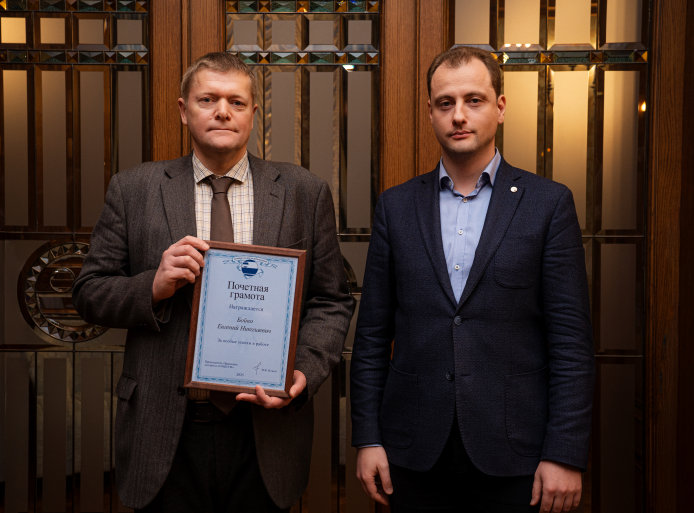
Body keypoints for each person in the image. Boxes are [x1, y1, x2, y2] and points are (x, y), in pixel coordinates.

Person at [72, 52, 353, 512]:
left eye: (236, 102)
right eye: (208, 99)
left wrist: (303, 370)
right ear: (184, 110)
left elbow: (331, 301)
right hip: (166, 429)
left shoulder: (304, 191)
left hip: (265, 430)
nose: (223, 111)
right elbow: (89, 293)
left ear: (253, 114)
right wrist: (154, 285)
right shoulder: (134, 189)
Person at [350, 46, 594, 513]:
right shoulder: (396, 207)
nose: (459, 115)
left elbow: (571, 345)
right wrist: (368, 438)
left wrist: (564, 453)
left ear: (500, 107)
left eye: (474, 100)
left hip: (517, 455)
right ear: (430, 112)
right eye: (445, 103)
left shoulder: (548, 205)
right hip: (412, 453)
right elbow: (372, 339)